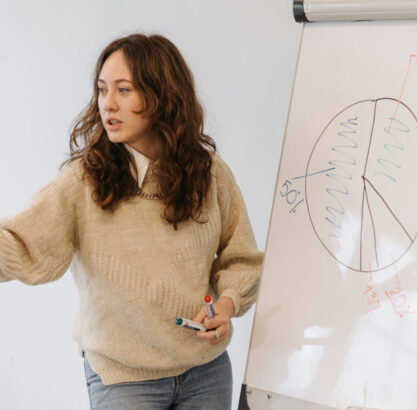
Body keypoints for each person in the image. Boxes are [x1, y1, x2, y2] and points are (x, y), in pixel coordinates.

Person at [0, 33, 263, 409]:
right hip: (124, 378)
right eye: (102, 90)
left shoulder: (209, 174)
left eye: (124, 90)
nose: (108, 104)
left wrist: (226, 306)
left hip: (206, 371)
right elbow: (21, 244)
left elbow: (241, 257)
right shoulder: (84, 181)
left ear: (161, 97)